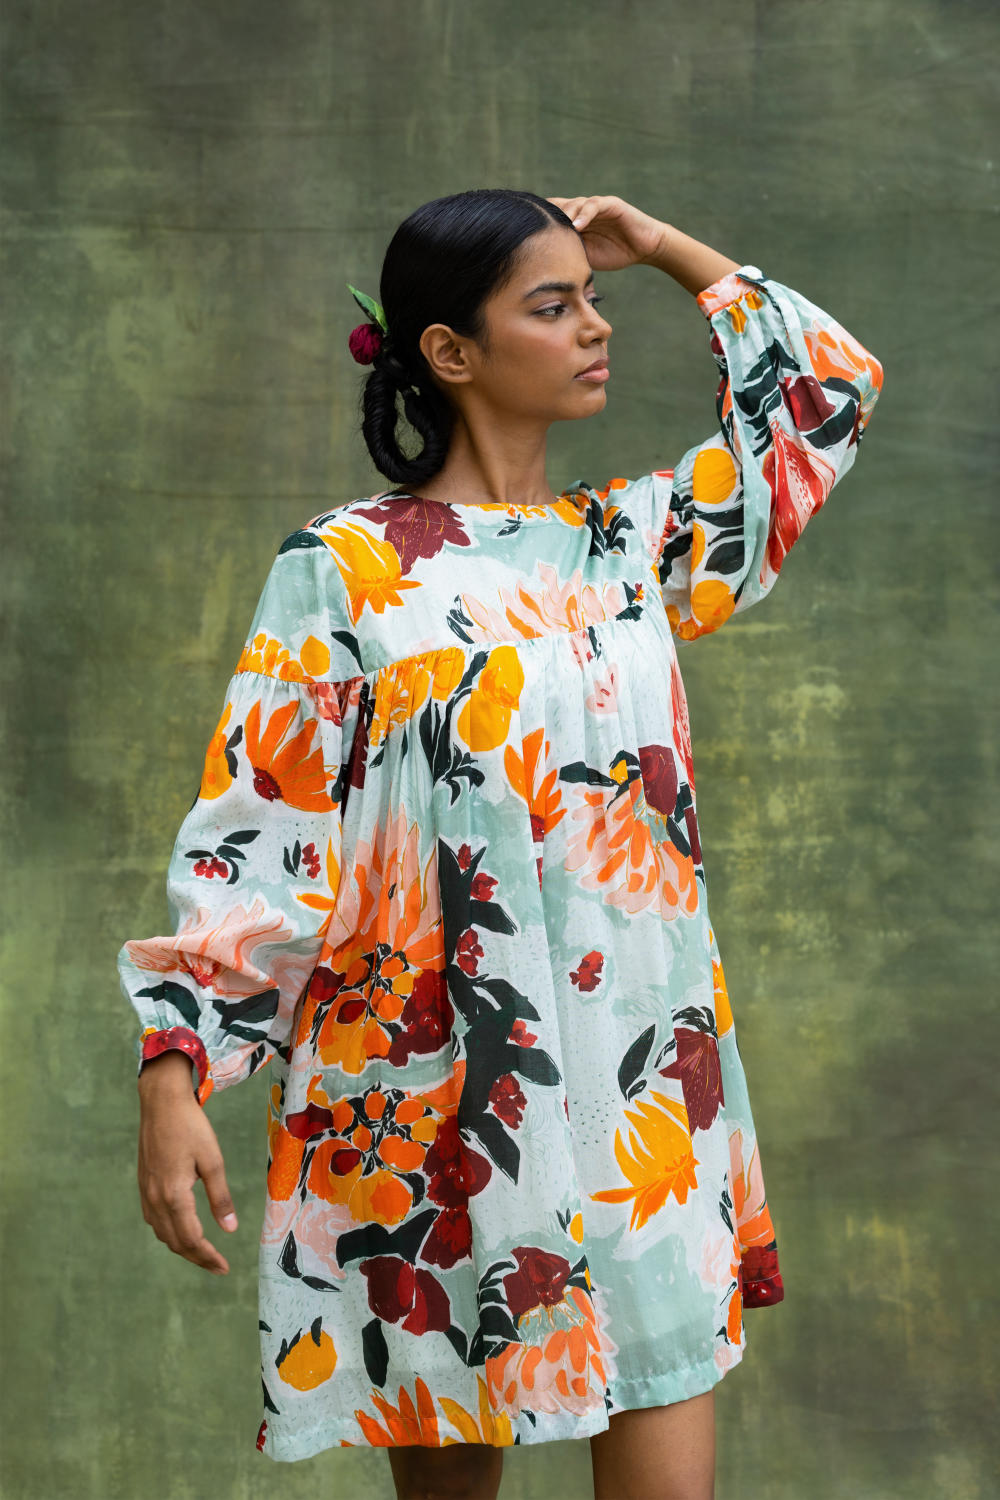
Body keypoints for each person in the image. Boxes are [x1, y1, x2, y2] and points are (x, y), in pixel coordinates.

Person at [118, 190, 883, 1500]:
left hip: (643, 1092)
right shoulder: (347, 570)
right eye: (554, 304)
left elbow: (823, 394)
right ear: (449, 352)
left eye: (594, 299)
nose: (597, 326)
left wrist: (663, 247)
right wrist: (174, 1073)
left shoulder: (630, 546)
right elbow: (260, 829)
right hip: (430, 1097)